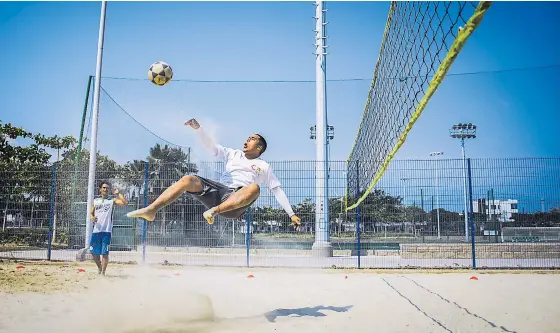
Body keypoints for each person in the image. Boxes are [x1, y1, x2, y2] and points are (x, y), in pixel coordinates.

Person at [126, 118, 301, 230]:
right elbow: (212, 146)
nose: (247, 140)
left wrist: (291, 214)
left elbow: (277, 190)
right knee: (188, 179)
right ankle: (151, 209)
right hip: (219, 191)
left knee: (254, 187)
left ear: (260, 147)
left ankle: (213, 212)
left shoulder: (263, 166)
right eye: (247, 138)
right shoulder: (233, 154)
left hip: (235, 204)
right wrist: (198, 129)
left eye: (252, 139)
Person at [89, 182, 128, 275]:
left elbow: (125, 202)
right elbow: (91, 213)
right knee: (94, 253)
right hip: (96, 231)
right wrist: (93, 218)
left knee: (104, 253)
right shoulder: (95, 201)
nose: (105, 189)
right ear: (100, 189)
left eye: (107, 188)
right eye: (104, 188)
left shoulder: (112, 200)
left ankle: (103, 273)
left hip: (106, 231)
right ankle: (99, 267)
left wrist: (118, 193)